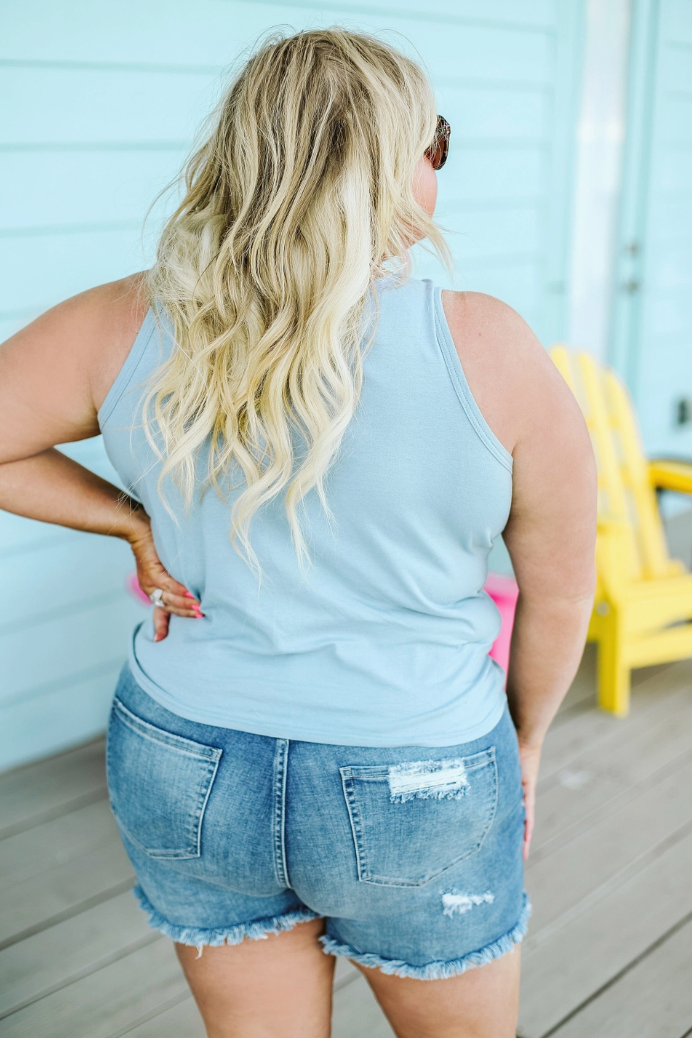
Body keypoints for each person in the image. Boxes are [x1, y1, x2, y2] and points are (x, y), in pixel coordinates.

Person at [0, 28, 597, 1038]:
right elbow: (560, 586)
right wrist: (526, 743)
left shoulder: (124, 321)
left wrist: (127, 522)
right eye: (433, 140)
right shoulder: (491, 345)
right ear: (390, 164)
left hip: (185, 756)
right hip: (417, 766)